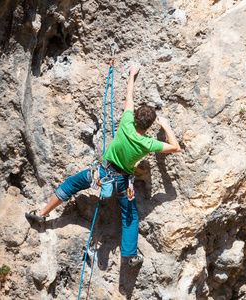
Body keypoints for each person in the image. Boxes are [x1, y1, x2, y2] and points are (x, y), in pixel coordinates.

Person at [25, 62, 181, 266]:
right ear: (149, 126)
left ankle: (43, 214)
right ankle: (131, 255)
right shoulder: (148, 143)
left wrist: (132, 75)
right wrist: (166, 126)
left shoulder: (126, 123)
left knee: (72, 184)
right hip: (122, 181)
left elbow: (129, 98)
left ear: (134, 118)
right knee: (130, 216)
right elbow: (175, 147)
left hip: (101, 172)